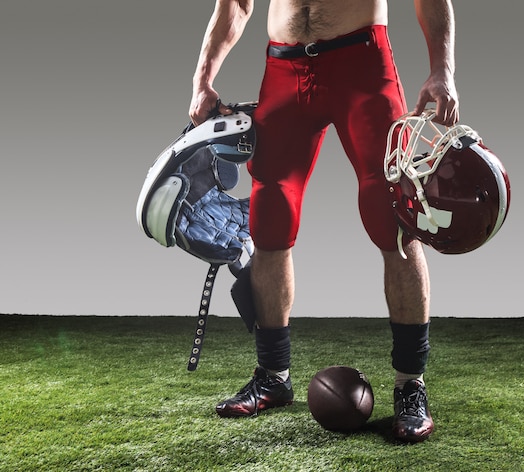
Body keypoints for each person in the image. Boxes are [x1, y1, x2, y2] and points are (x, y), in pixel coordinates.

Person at [188, 0, 459, 443]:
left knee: (394, 219)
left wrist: (441, 69)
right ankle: (273, 376)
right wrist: (203, 79)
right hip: (284, 68)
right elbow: (236, 3)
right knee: (269, 219)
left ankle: (411, 385)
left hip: (362, 64)